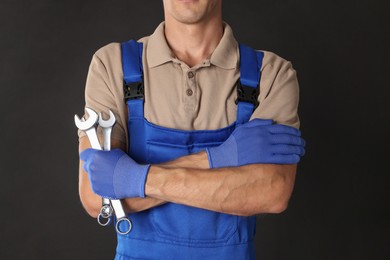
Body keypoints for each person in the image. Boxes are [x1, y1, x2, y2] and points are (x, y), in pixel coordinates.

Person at [78, 0, 306, 259]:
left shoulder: (272, 74)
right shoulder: (112, 66)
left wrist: (129, 178)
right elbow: (98, 200)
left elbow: (271, 193)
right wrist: (222, 158)